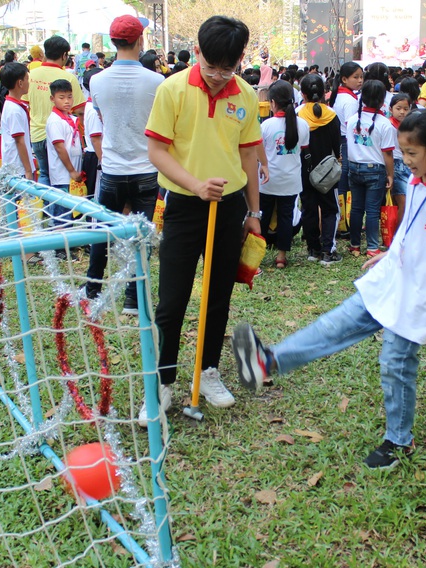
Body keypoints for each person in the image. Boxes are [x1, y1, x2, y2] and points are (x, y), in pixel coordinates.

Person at [231, 109, 426, 469]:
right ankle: (267, 361)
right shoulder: (420, 182)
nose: (406, 162)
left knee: (395, 364)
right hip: (389, 280)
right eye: (403, 154)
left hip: (417, 295)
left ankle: (399, 441)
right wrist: (391, 253)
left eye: (412, 154)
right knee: (333, 326)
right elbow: (413, 230)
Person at [145, 16, 262, 417]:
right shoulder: (172, 89)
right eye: (211, 65)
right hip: (184, 206)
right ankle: (162, 381)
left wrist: (254, 212)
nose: (216, 75)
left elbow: (247, 155)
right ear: (197, 52)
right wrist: (195, 185)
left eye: (226, 68)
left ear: (239, 61)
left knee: (217, 296)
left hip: (228, 209)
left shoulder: (245, 94)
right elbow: (157, 151)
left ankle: (208, 370)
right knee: (172, 299)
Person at [85, 14, 164, 316]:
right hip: (146, 169)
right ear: (140, 41)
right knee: (140, 238)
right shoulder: (157, 82)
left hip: (113, 170)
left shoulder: (96, 80)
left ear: (113, 42)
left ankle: (92, 290)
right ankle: (134, 298)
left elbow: (103, 117)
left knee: (101, 234)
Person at [258, 80, 310, 268]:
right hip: (291, 180)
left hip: (268, 180)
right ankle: (281, 257)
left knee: (262, 217)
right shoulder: (303, 125)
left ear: (272, 103)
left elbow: (259, 152)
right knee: (285, 217)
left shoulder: (266, 126)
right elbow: (303, 149)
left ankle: (257, 257)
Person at [27, 35, 85, 187]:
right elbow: (79, 110)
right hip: (62, 135)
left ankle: (45, 209)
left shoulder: (31, 76)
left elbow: (25, 105)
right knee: (63, 177)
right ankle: (59, 209)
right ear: (64, 55)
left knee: (45, 174)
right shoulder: (69, 78)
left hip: (37, 135)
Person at [347, 79, 395, 258]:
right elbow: (388, 154)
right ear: (383, 101)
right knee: (373, 210)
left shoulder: (352, 120)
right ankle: (372, 247)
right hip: (375, 170)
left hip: (354, 168)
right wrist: (391, 174)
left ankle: (354, 245)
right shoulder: (385, 124)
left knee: (357, 208)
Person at [297, 73, 341, 264]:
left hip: (302, 169)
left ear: (303, 94)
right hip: (327, 173)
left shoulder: (297, 114)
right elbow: (337, 146)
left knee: (308, 208)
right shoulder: (332, 115)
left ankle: (312, 250)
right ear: (324, 93)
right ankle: (327, 252)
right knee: (330, 209)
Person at [329, 62, 364, 234]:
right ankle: (343, 224)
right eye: (355, 77)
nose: (359, 81)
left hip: (340, 141)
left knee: (342, 182)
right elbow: (352, 127)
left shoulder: (339, 96)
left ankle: (342, 222)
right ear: (344, 79)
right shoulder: (350, 100)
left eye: (361, 77)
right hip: (346, 142)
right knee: (344, 183)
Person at [45, 79, 83, 231]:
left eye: (69, 96)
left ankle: (68, 243)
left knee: (71, 210)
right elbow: (60, 147)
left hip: (72, 175)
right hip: (63, 174)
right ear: (52, 99)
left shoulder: (71, 118)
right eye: (61, 97)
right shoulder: (54, 121)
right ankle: (60, 247)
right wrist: (72, 170)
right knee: (62, 213)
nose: (67, 101)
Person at [0, 62, 34, 181]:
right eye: (27, 79)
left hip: (16, 164)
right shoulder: (14, 110)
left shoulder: (14, 106)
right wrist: (28, 170)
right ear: (20, 83)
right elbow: (19, 141)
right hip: (17, 167)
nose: (29, 83)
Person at [389, 92, 412, 226]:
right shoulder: (389, 125)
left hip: (407, 165)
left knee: (404, 202)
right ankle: (398, 236)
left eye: (405, 109)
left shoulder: (409, 126)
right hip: (396, 165)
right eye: (398, 108)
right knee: (402, 203)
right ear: (391, 109)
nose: (402, 112)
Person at [80, 67, 103, 201]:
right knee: (96, 195)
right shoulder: (94, 110)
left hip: (94, 155)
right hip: (95, 156)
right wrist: (104, 162)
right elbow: (96, 139)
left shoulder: (91, 105)